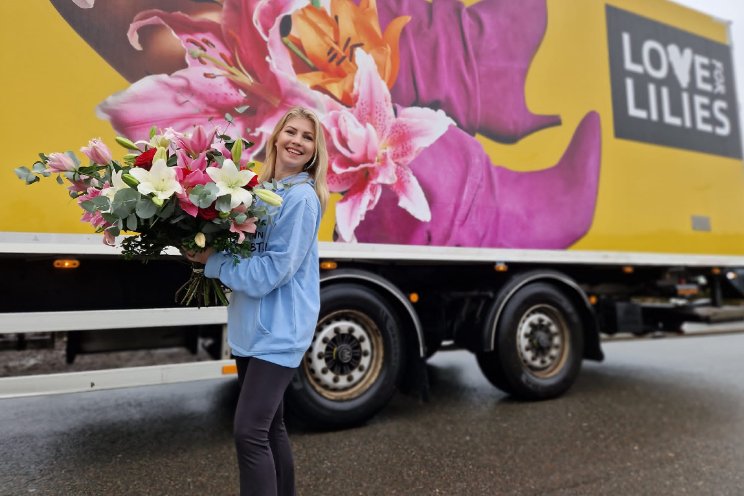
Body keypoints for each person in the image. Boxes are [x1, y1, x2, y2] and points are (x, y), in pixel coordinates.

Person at [184, 106, 329, 496]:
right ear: (277, 137)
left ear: (315, 151)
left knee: (249, 433)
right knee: (270, 426)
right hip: (252, 328)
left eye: (307, 137)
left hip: (278, 331)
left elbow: (271, 272)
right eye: (291, 132)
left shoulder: (301, 199)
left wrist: (212, 262)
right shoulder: (259, 193)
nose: (297, 141)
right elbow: (247, 253)